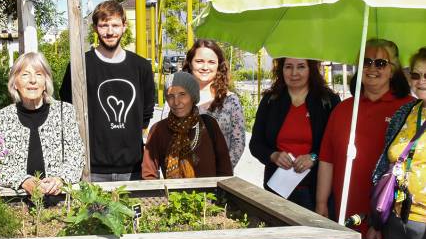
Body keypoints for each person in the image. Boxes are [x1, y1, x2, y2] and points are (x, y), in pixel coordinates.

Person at [316, 38, 413, 239]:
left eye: (380, 63)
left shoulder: (408, 109)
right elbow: (327, 160)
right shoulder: (343, 110)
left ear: (393, 70)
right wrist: (321, 205)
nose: (372, 68)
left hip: (392, 222)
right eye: (366, 62)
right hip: (349, 219)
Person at [59, 0, 155, 181]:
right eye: (104, 25)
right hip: (91, 168)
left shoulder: (141, 66)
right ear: (95, 28)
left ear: (124, 26)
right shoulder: (80, 66)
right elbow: (67, 108)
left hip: (133, 168)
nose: (110, 32)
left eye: (115, 25)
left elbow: (146, 113)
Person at [250, 58, 340, 211]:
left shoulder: (328, 101)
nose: (294, 73)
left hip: (316, 193)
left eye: (301, 67)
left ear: (311, 69)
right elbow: (255, 144)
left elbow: (336, 145)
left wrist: (313, 157)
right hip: (277, 191)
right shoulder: (270, 100)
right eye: (288, 67)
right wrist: (274, 155)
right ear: (281, 70)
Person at [0, 52, 84, 194]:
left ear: (46, 82)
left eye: (39, 74)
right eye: (25, 75)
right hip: (15, 204)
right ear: (15, 83)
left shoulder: (65, 113)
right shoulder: (0, 119)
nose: (33, 80)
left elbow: (76, 156)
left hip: (60, 202)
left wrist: (59, 179)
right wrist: (23, 180)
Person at [367, 47, 426, 239]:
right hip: (398, 219)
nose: (421, 81)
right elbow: (385, 163)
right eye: (416, 74)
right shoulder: (406, 112)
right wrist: (377, 222)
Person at [143, 71, 232, 179]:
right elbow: (148, 174)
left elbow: (225, 170)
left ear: (193, 96)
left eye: (182, 94)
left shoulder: (209, 125)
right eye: (171, 96)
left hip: (208, 195)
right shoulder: (158, 130)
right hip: (173, 195)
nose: (176, 102)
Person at [182, 39, 245, 169]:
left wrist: (220, 170)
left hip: (219, 178)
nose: (205, 67)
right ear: (190, 63)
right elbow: (166, 139)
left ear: (219, 66)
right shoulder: (176, 99)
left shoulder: (231, 101)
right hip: (182, 178)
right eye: (199, 61)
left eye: (211, 62)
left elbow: (238, 144)